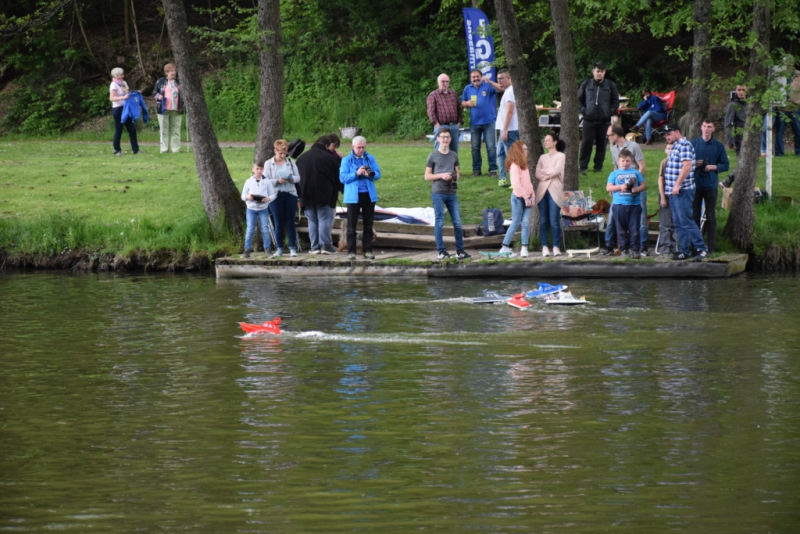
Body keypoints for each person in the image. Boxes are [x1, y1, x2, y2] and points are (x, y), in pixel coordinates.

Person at [663, 123, 708, 261]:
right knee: (678, 222)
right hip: (673, 191)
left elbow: (687, 166)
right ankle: (684, 250)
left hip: (683, 190)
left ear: (677, 132)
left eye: (669, 134)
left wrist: (677, 185)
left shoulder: (685, 145)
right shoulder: (675, 146)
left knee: (686, 220)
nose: (667, 137)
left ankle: (701, 248)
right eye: (665, 135)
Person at [424, 129, 471, 261]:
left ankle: (460, 251)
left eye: (448, 137)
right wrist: (442, 175)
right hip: (438, 193)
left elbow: (458, 173)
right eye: (443, 137)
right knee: (439, 222)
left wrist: (454, 177)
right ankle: (441, 251)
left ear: (450, 139)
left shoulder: (453, 155)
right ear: (438, 139)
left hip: (451, 193)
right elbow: (427, 176)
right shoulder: (433, 156)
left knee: (457, 222)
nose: (445, 139)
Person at [604, 124, 648, 255]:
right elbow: (615, 167)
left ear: (615, 135)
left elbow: (642, 166)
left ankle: (642, 247)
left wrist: (635, 183)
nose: (607, 137)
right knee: (612, 217)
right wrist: (614, 185)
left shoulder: (634, 146)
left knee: (641, 219)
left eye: (609, 135)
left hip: (635, 188)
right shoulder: (613, 149)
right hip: (620, 190)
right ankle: (609, 246)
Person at [297, 135, 341, 255]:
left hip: (305, 194)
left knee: (312, 220)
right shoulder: (330, 158)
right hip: (325, 195)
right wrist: (341, 189)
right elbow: (338, 177)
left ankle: (315, 247)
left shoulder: (302, 158)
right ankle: (325, 245)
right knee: (324, 219)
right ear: (326, 145)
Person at [690, 119, 730, 253]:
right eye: (705, 126)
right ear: (701, 127)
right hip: (695, 184)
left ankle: (712, 246)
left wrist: (713, 167)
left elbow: (725, 165)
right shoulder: (693, 144)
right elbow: (685, 163)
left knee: (711, 216)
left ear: (713, 129)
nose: (706, 129)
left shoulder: (718, 146)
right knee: (694, 215)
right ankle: (695, 245)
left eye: (709, 127)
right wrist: (695, 164)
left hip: (711, 184)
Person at [340, 136, 381, 260]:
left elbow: (378, 174)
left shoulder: (369, 158)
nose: (361, 150)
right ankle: (351, 251)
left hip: (368, 195)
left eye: (363, 147)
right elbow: (343, 178)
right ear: (353, 147)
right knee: (351, 225)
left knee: (368, 224)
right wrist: (356, 173)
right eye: (358, 147)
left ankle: (367, 250)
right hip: (353, 196)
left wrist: (370, 174)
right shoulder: (347, 160)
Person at [578, 61, 620, 174]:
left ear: (604, 72)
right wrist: (584, 111)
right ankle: (582, 167)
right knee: (586, 143)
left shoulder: (611, 85)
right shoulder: (586, 84)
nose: (599, 73)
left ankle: (598, 167)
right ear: (593, 71)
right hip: (588, 119)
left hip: (604, 120)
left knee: (602, 144)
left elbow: (615, 102)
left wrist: (609, 112)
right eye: (597, 71)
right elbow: (579, 100)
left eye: (601, 71)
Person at [265, 139, 301, 257]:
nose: (283, 156)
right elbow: (265, 181)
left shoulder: (290, 162)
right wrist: (277, 181)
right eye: (280, 153)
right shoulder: (268, 164)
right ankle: (279, 248)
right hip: (275, 195)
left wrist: (291, 179)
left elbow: (298, 177)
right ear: (275, 151)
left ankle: (292, 248)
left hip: (290, 193)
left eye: (285, 153)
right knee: (278, 222)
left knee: (290, 221)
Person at [498, 141, 534, 257]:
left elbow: (529, 183)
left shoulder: (525, 165)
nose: (526, 151)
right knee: (516, 222)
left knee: (526, 222)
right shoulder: (514, 165)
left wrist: (532, 195)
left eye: (527, 149)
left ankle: (524, 248)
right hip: (518, 198)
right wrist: (525, 197)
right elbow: (516, 184)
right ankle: (504, 247)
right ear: (518, 151)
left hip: (528, 197)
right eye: (524, 149)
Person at [534, 132, 566, 257]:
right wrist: (549, 174)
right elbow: (537, 173)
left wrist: (545, 172)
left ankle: (556, 246)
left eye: (548, 140)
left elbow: (557, 170)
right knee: (543, 221)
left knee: (554, 221)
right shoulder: (542, 157)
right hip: (542, 191)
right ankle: (544, 246)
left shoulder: (561, 156)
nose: (545, 142)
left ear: (555, 142)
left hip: (555, 191)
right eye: (545, 140)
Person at [461, 69, 498, 177]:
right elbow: (462, 103)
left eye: (477, 76)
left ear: (481, 77)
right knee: (475, 148)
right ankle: (476, 170)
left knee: (491, 147)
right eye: (473, 77)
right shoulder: (467, 88)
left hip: (489, 122)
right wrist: (467, 103)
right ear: (470, 78)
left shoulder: (488, 86)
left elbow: (501, 89)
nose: (476, 78)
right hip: (475, 122)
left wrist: (490, 82)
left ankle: (493, 170)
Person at [241, 161, 275, 258]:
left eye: (261, 169)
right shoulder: (249, 181)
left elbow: (273, 195)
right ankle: (247, 250)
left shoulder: (267, 181)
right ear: (253, 169)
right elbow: (243, 196)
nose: (259, 171)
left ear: (263, 169)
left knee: (265, 229)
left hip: (263, 208)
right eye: (257, 169)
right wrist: (248, 196)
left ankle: (267, 249)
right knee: (250, 229)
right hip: (251, 208)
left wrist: (268, 198)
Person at [494, 69, 518, 187]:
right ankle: (502, 178)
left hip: (510, 130)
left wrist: (505, 130)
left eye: (502, 78)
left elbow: (510, 112)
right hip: (503, 128)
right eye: (498, 79)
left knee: (511, 156)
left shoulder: (510, 91)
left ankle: (515, 181)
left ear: (509, 78)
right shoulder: (507, 91)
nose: (499, 81)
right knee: (500, 153)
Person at [426, 73, 462, 153]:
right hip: (441, 126)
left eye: (447, 81)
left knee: (454, 151)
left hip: (454, 126)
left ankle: (453, 162)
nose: (445, 83)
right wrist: (436, 124)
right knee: (439, 150)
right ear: (438, 82)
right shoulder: (433, 95)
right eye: (443, 81)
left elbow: (459, 109)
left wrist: (459, 122)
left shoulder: (453, 94)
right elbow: (430, 111)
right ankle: (438, 162)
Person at [109, 67, 140, 156]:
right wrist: (123, 98)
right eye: (121, 74)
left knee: (132, 129)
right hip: (118, 109)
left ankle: (136, 149)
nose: (123, 76)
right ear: (116, 75)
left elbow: (127, 94)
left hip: (126, 108)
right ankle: (117, 150)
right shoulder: (113, 85)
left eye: (123, 74)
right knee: (119, 130)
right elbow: (112, 98)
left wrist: (135, 93)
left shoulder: (124, 83)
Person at [153, 63, 184, 153]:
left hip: (177, 109)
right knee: (164, 131)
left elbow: (184, 93)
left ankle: (175, 149)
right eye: (171, 71)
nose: (173, 73)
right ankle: (164, 149)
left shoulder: (179, 81)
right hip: (163, 110)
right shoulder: (161, 81)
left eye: (174, 71)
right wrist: (159, 96)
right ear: (166, 72)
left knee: (176, 130)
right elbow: (154, 92)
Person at [656, 141, 678, 255]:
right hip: (665, 194)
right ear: (665, 150)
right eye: (668, 148)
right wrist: (663, 197)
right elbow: (660, 179)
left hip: (676, 196)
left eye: (672, 148)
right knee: (665, 223)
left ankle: (673, 246)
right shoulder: (664, 162)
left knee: (675, 222)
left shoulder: (679, 162)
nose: (670, 151)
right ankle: (664, 247)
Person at [724, 85, 747, 157]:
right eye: (739, 90)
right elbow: (728, 124)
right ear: (736, 91)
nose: (741, 92)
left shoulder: (751, 105)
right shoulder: (732, 106)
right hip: (740, 137)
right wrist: (730, 141)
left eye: (743, 90)